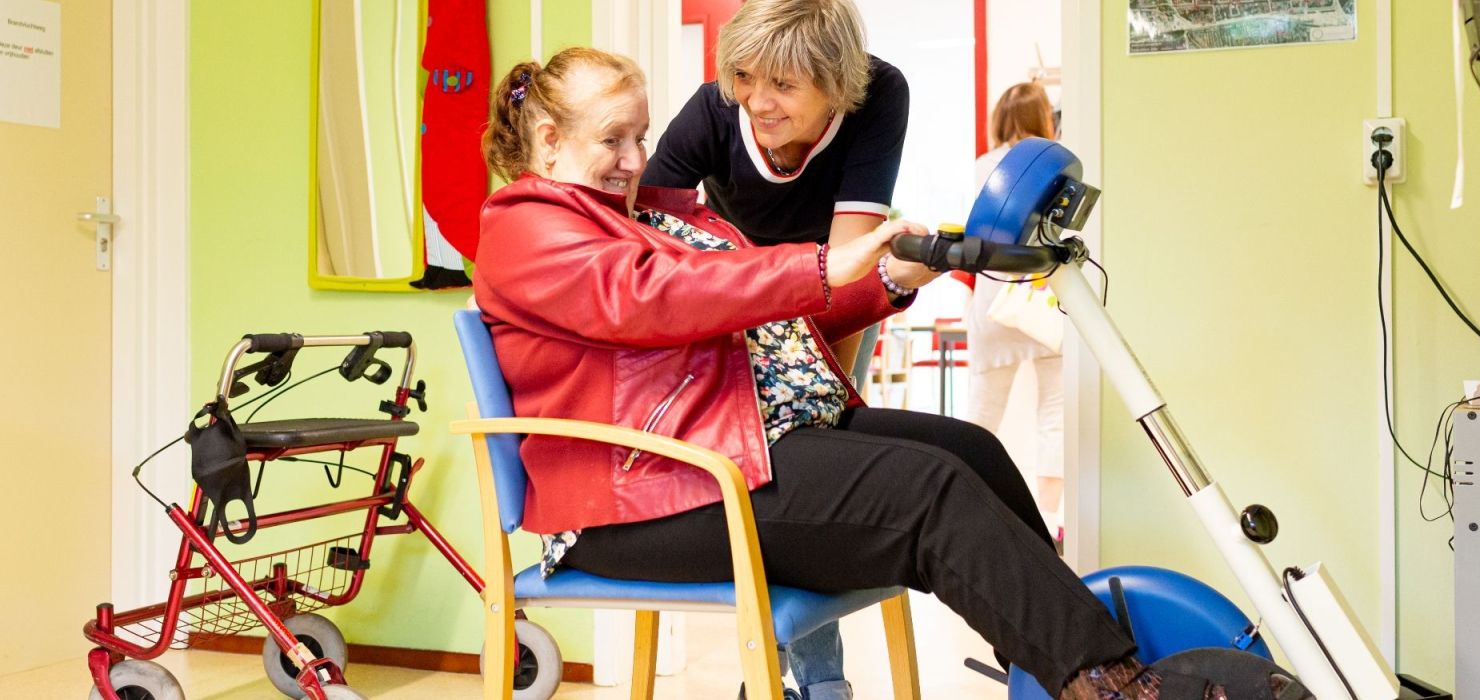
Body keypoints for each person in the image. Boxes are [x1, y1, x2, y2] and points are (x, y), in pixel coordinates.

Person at [475, 47, 1252, 700]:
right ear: (547, 140)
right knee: (927, 496)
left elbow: (762, 326)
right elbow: (659, 299)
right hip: (649, 492)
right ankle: (1112, 685)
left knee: (968, 451)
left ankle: (1055, 670)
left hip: (726, 445)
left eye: (642, 136)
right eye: (615, 140)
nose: (639, 159)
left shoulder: (642, 215)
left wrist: (889, 281)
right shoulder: (524, 227)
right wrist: (819, 262)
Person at [639, 1, 909, 692]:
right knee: (769, 480)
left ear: (836, 85)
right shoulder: (711, 110)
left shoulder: (880, 94)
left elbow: (846, 272)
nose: (757, 101)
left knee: (812, 463)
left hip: (833, 293)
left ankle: (795, 681)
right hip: (734, 303)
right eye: (745, 76)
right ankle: (793, 681)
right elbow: (649, 250)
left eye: (783, 85)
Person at [968, 81, 1068, 546]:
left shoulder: (985, 168)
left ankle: (968, 503)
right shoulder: (1057, 165)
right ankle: (1048, 517)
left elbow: (972, 235)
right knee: (1055, 410)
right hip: (1043, 297)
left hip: (994, 302)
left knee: (983, 411)